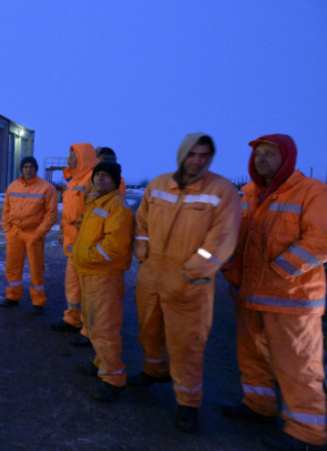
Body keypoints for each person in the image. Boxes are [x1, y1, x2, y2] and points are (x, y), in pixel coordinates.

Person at [221, 134, 327, 451]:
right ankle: (258, 405)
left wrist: (280, 271)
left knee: (298, 366)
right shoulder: (248, 193)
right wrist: (226, 266)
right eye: (258, 153)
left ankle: (308, 433)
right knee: (252, 355)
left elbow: (320, 240)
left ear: (287, 158)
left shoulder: (312, 191)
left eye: (269, 153)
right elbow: (230, 235)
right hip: (249, 294)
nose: (261, 158)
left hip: (292, 298)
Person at [132, 133, 241, 433]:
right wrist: (142, 248)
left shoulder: (222, 191)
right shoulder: (158, 184)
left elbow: (223, 238)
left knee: (187, 345)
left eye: (204, 155)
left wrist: (195, 268)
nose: (197, 160)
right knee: (149, 329)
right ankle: (154, 371)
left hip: (190, 281)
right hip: (152, 273)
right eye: (192, 154)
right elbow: (142, 219)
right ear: (182, 154)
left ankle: (188, 403)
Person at [73, 161, 135, 402]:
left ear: (115, 181)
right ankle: (101, 363)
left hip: (104, 275)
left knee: (104, 327)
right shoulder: (98, 202)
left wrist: (88, 256)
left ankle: (114, 378)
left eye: (106, 176)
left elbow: (114, 246)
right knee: (93, 323)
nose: (100, 179)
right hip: (91, 273)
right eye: (97, 174)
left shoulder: (117, 206)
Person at [51, 143, 98, 337]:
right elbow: (68, 211)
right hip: (72, 244)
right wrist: (63, 230)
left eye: (72, 156)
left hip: (86, 244)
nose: (68, 159)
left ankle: (89, 329)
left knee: (88, 288)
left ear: (83, 157)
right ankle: (72, 319)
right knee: (72, 285)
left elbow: (94, 213)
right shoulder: (71, 181)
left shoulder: (92, 180)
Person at [1, 156, 58, 314]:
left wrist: (39, 232)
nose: (28, 170)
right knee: (12, 266)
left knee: (36, 268)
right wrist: (8, 229)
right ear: (21, 169)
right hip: (15, 233)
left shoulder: (46, 188)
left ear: (36, 169)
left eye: (31, 167)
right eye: (25, 167)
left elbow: (51, 214)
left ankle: (38, 301)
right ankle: (13, 296)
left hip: (34, 233)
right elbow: (6, 209)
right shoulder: (13, 186)